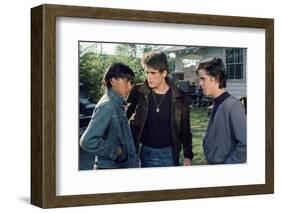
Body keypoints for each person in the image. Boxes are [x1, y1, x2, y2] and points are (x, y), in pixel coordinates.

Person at [127, 51, 193, 168]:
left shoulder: (179, 96)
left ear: (164, 73)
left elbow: (185, 128)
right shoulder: (138, 91)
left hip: (170, 153)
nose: (149, 77)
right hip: (145, 152)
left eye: (153, 73)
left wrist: (187, 156)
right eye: (147, 72)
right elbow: (123, 119)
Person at [80, 62, 139, 169]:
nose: (130, 87)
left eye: (131, 82)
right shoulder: (108, 106)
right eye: (126, 81)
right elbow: (87, 141)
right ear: (112, 81)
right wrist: (117, 151)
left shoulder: (116, 103)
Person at [196, 57, 246, 164]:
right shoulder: (216, 103)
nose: (200, 84)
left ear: (216, 78)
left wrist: (226, 166)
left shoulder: (233, 106)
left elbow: (245, 144)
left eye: (203, 79)